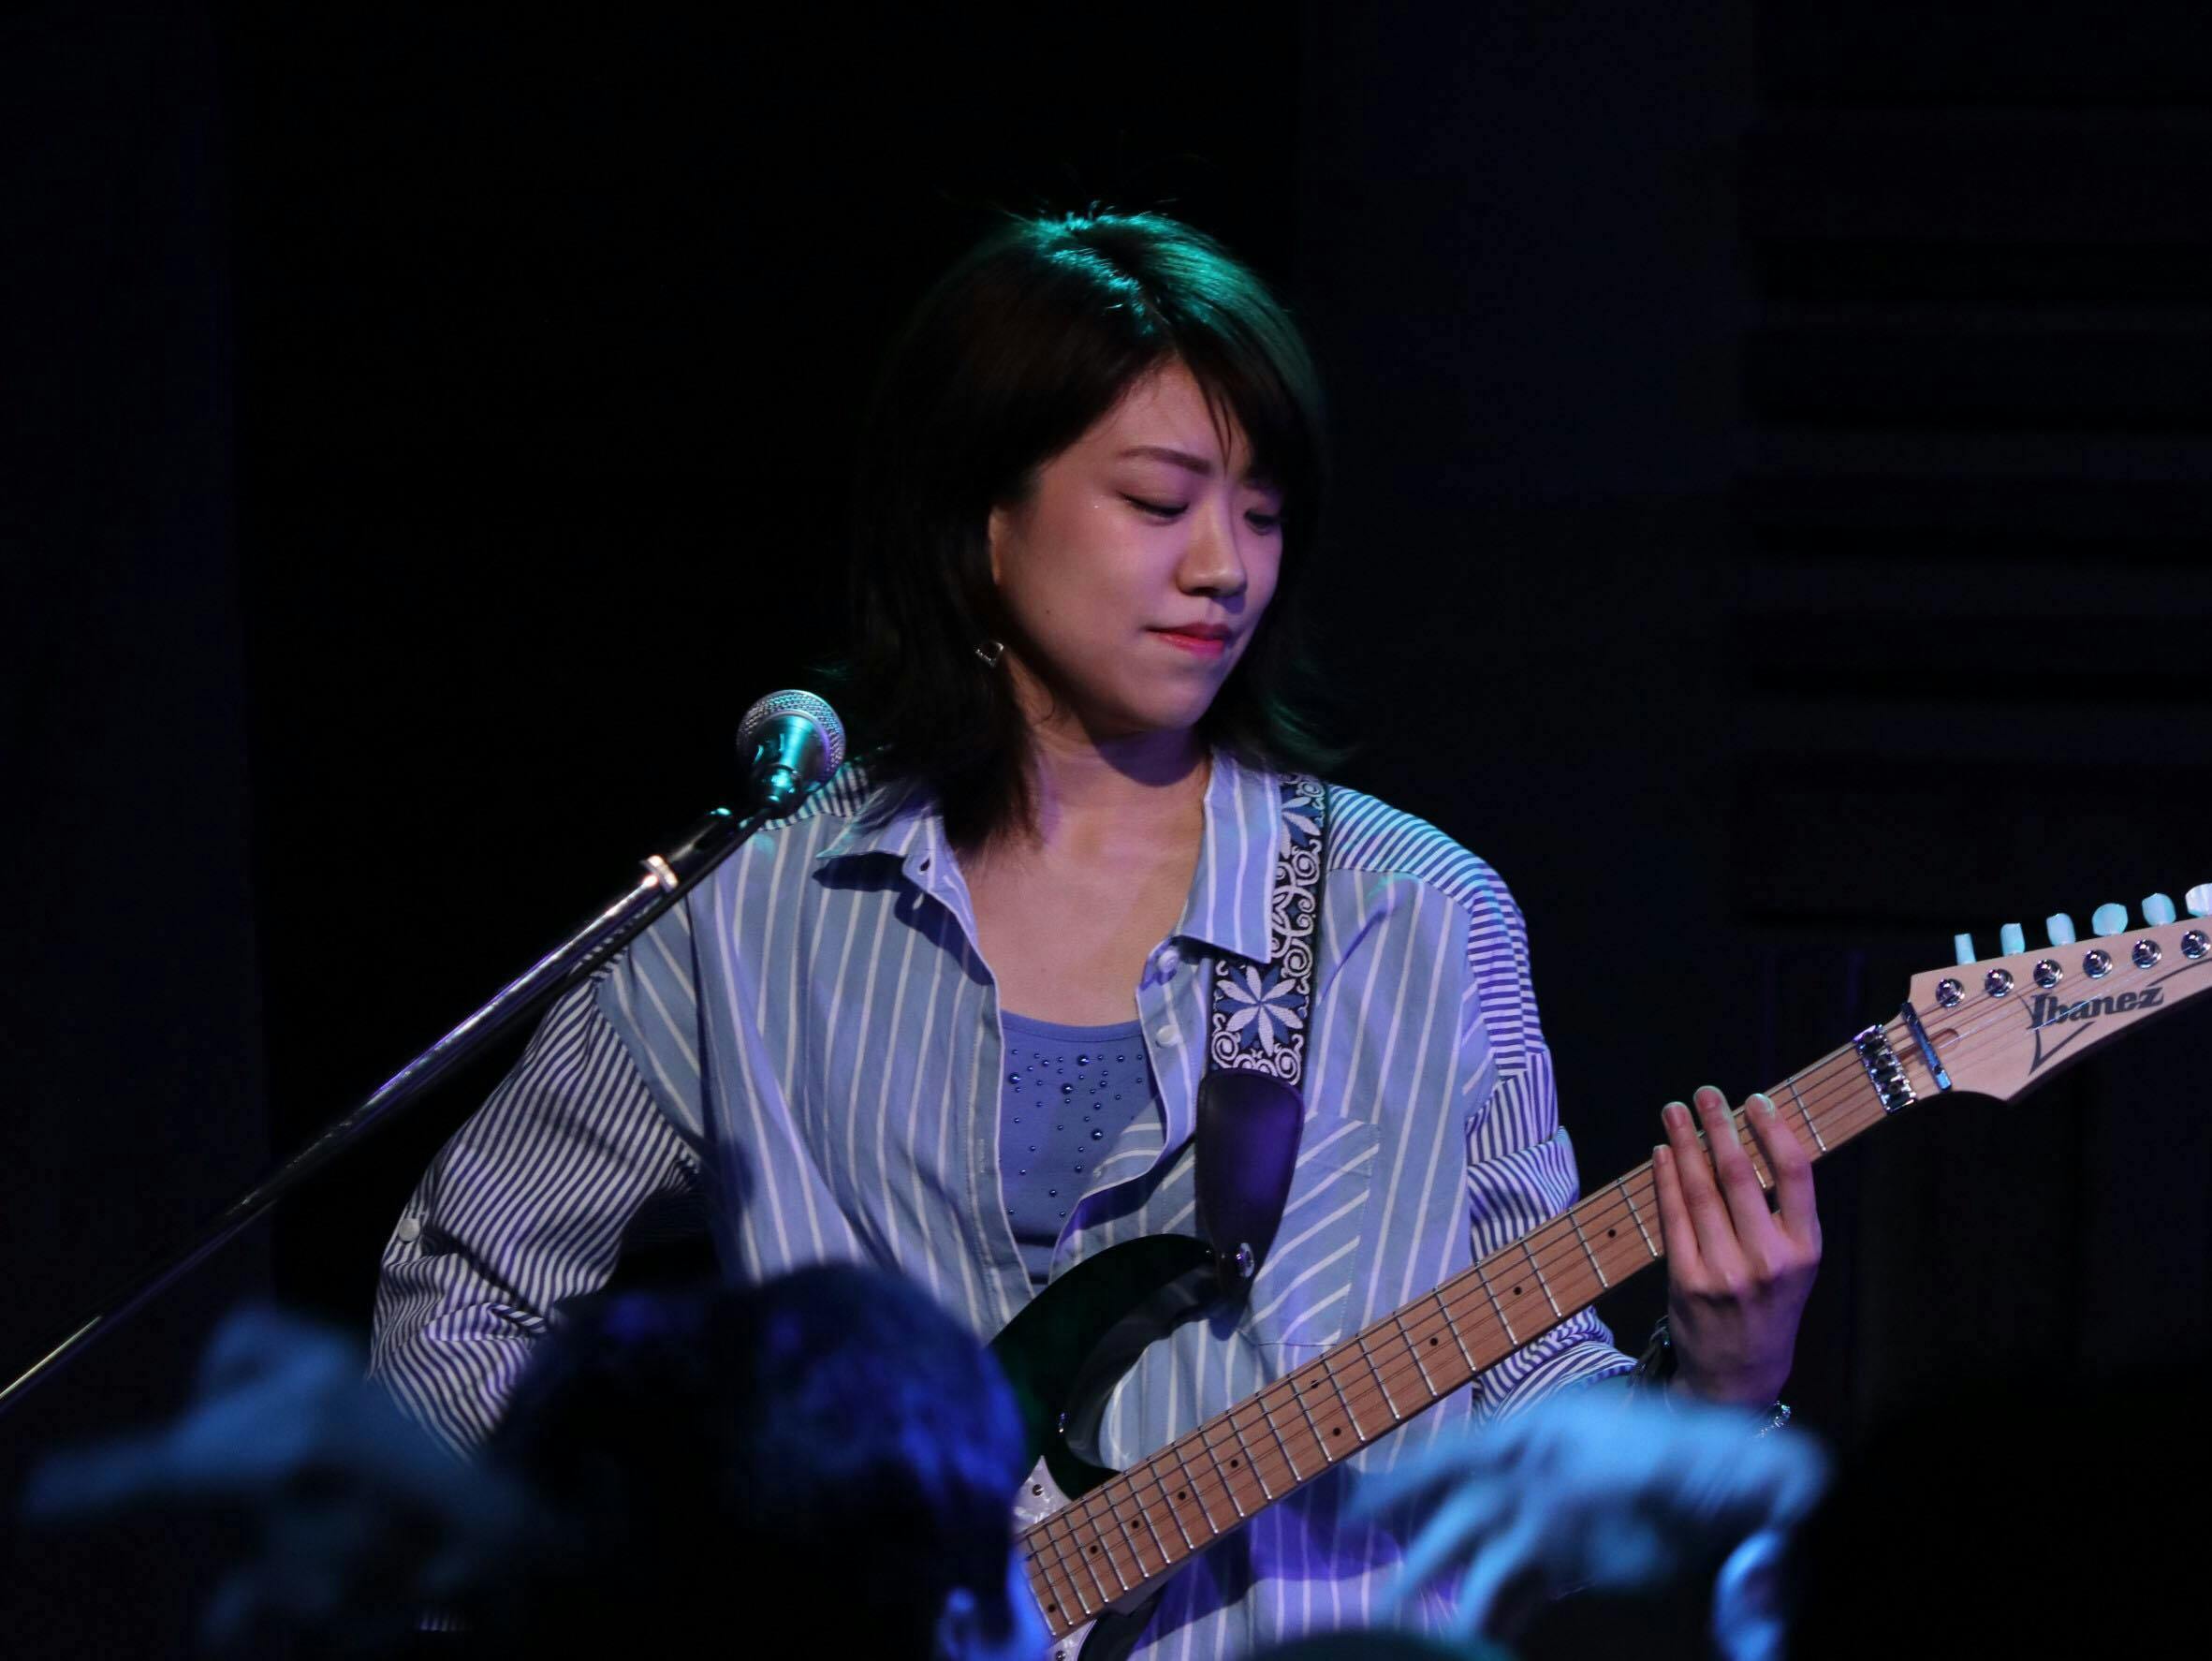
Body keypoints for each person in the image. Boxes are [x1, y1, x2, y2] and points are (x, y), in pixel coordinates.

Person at [371, 209, 1822, 1654]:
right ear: (983, 520)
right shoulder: (757, 903)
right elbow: (465, 1288)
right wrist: (634, 1592)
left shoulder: (1417, 911)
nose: (1225, 565)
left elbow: (1525, 1422)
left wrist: (1721, 1383)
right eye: (1158, 500)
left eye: (1263, 512)